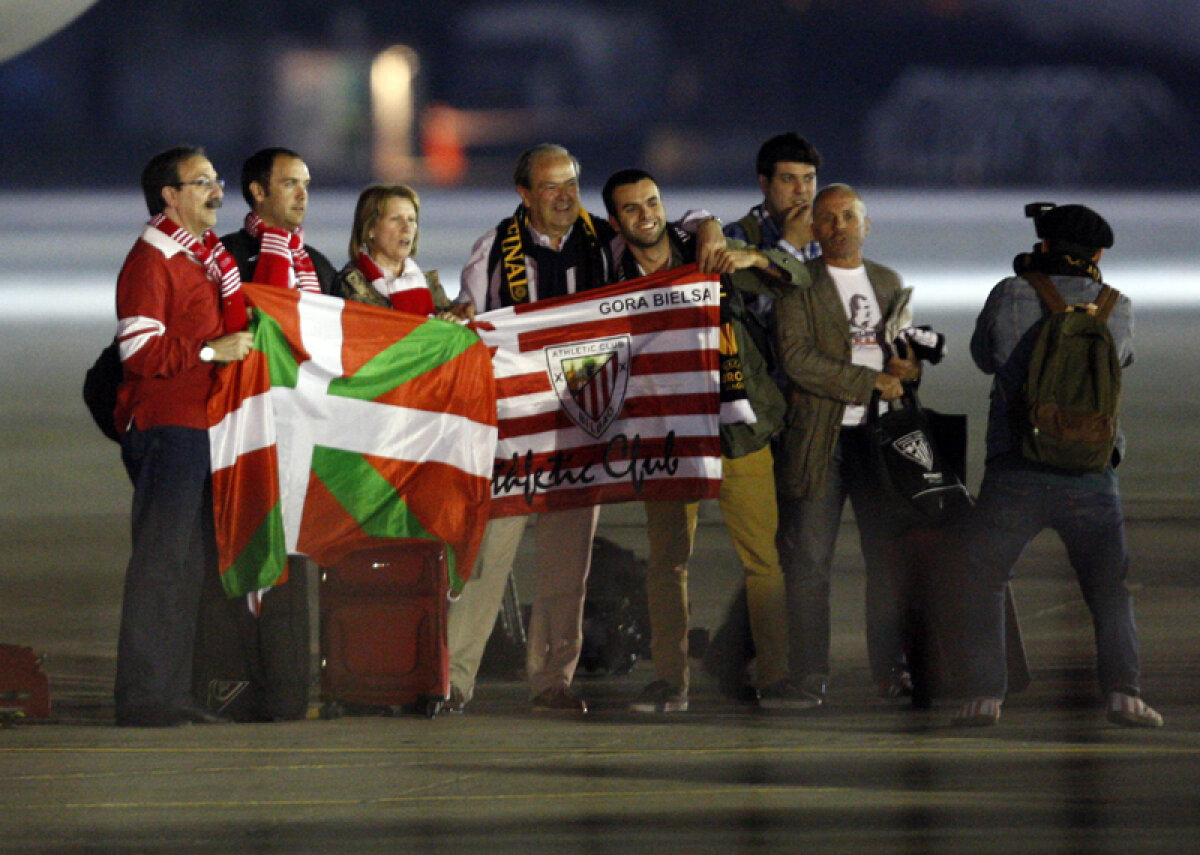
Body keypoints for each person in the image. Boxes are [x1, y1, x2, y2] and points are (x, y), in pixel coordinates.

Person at [446, 144, 723, 714]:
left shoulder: (608, 237)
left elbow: (681, 225)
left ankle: (553, 680)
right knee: (486, 561)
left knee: (568, 569)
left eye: (570, 182)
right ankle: (454, 681)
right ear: (524, 194)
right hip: (515, 433)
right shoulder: (494, 250)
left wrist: (712, 227)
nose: (564, 195)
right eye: (550, 186)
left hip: (583, 430)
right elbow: (470, 319)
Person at [601, 168, 816, 713]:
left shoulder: (707, 252)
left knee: (762, 559)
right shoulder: (605, 276)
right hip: (665, 438)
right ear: (615, 220)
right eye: (632, 208)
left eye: (652, 201)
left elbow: (798, 277)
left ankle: (776, 676)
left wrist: (753, 257)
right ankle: (672, 682)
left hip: (737, 429)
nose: (646, 213)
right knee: (667, 561)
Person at [952, 203, 1163, 728]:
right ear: (1097, 255)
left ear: (1043, 246)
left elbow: (985, 356)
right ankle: (1124, 693)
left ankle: (985, 695)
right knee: (1109, 587)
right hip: (1092, 470)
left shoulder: (1012, 292)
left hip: (1017, 467)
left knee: (983, 576)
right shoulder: (1120, 306)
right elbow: (1122, 363)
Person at [112, 146, 253, 726]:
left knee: (188, 564)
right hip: (170, 427)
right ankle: (146, 697)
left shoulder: (206, 256)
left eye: (216, 180)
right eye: (202, 183)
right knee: (162, 563)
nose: (217, 191)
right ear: (169, 196)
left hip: (201, 425)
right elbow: (138, 350)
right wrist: (208, 350)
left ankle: (167, 693)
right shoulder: (153, 260)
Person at [773, 184, 926, 707]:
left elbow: (900, 355)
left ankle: (892, 670)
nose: (839, 226)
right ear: (814, 230)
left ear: (866, 224)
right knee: (809, 563)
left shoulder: (887, 281)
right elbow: (797, 360)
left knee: (886, 561)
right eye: (828, 219)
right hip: (821, 439)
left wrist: (908, 369)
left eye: (847, 217)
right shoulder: (798, 286)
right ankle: (809, 674)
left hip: (878, 441)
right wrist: (869, 383)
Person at [333, 183, 470, 321]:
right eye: (396, 219)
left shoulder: (427, 284)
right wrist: (435, 328)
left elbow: (449, 322)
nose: (407, 228)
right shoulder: (350, 283)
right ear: (371, 229)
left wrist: (459, 314)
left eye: (411, 220)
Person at [220, 147, 337, 294]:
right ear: (259, 192)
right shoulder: (223, 256)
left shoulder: (319, 265)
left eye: (305, 185)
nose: (302, 195)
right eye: (290, 184)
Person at [724, 132, 823, 265]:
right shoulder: (736, 237)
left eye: (808, 178)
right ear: (765, 184)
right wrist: (791, 245)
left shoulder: (826, 232)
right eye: (788, 179)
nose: (801, 189)